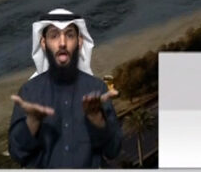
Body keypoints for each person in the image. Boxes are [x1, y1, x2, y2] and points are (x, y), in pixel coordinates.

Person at [8, 9, 122, 168]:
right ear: (43, 43)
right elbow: (16, 153)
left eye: (69, 35)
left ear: (80, 41)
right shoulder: (30, 92)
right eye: (54, 36)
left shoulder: (96, 88)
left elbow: (113, 150)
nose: (62, 43)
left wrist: (97, 120)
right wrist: (32, 122)